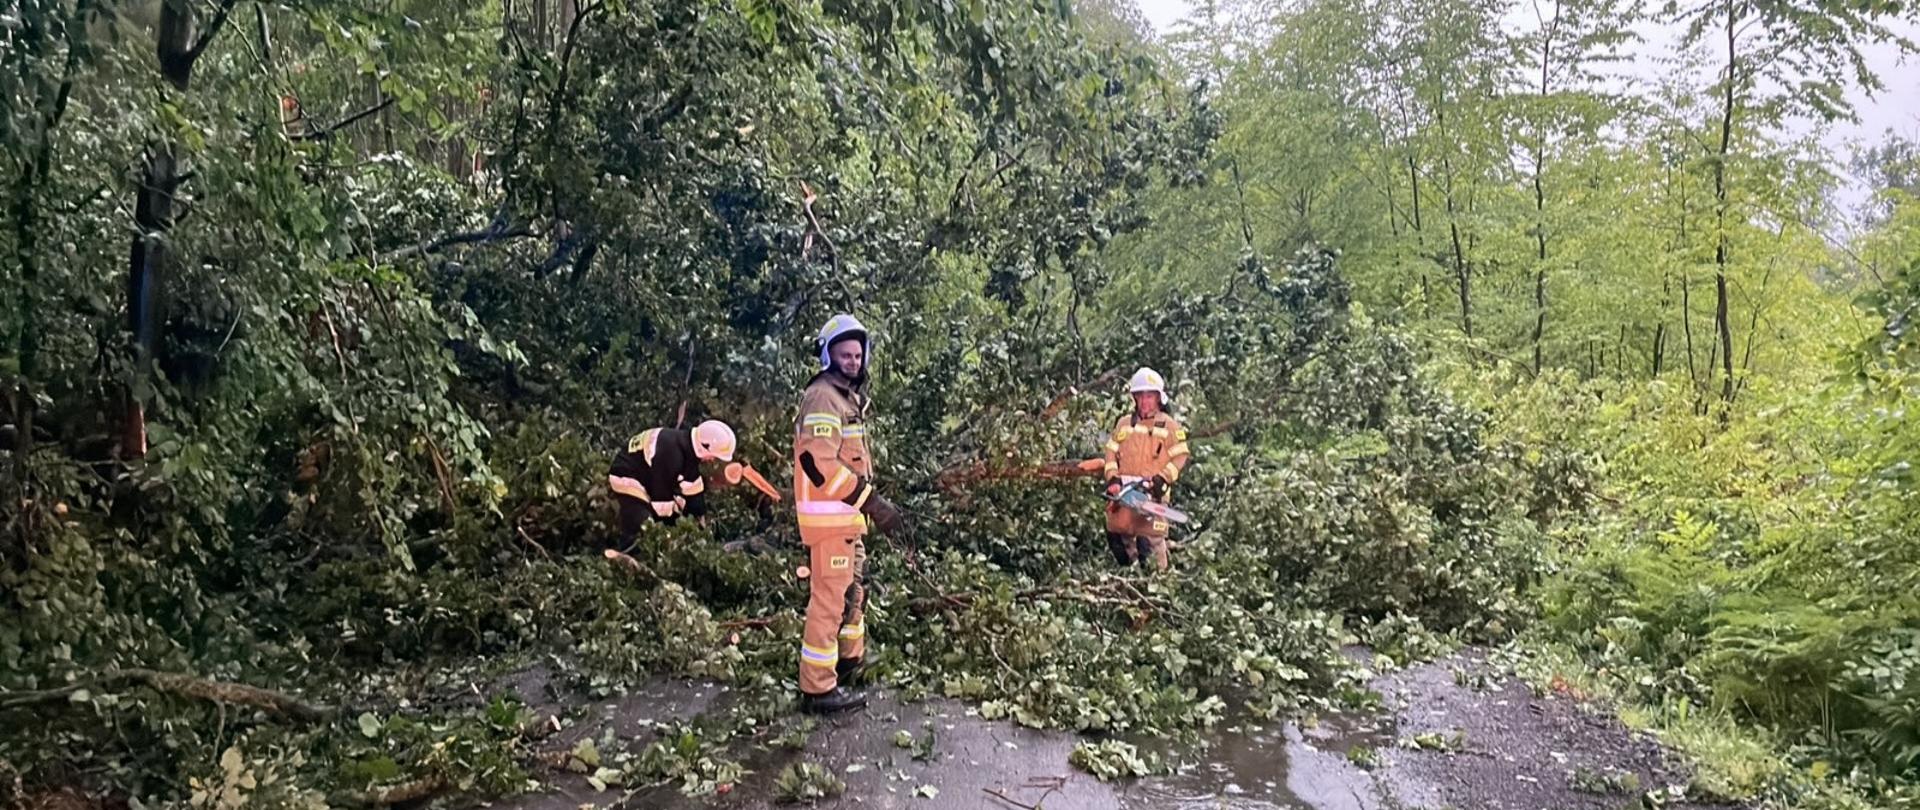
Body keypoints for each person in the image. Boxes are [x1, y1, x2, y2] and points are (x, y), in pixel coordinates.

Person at [791, 314, 905, 715]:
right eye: (845, 354)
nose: (853, 362)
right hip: (830, 520)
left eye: (858, 355)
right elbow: (818, 464)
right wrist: (873, 503)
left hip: (847, 519)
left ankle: (848, 662)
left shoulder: (847, 399)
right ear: (828, 355)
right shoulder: (823, 396)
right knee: (828, 600)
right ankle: (818, 689)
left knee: (854, 592)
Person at [1102, 367, 1189, 570]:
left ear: (1158, 398)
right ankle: (1129, 579)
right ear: (1135, 398)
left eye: (1149, 396)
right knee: (1116, 534)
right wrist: (1113, 479)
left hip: (1152, 493)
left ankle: (1158, 584)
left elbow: (1181, 456)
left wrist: (1163, 478)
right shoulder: (1124, 424)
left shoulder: (1169, 426)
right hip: (1126, 492)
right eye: (1140, 397)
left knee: (1149, 541)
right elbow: (1110, 452)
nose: (1145, 401)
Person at [606, 420, 737, 546]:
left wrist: (698, 514)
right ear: (705, 447)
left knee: (676, 506)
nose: (713, 459)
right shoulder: (672, 454)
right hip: (627, 475)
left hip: (649, 475)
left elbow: (692, 484)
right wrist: (671, 523)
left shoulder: (686, 447)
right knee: (643, 522)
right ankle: (630, 550)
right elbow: (661, 494)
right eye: (714, 455)